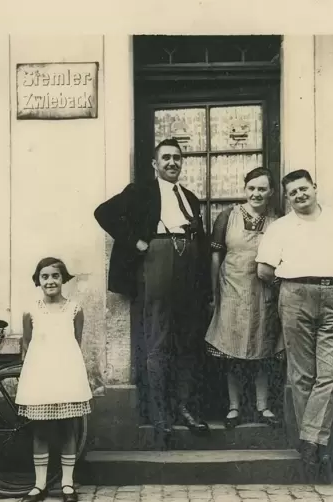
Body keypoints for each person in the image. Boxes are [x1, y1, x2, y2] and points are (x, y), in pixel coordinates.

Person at [255, 169, 333, 484]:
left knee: (329, 375)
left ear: (314, 188)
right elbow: (264, 270)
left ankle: (309, 444)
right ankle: (318, 448)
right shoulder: (280, 228)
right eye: (292, 193)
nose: (298, 196)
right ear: (288, 197)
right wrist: (292, 284)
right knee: (302, 375)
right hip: (294, 296)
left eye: (303, 189)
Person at [93, 138, 210, 442]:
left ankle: (185, 408)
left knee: (186, 339)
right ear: (155, 164)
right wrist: (135, 241)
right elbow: (103, 213)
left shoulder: (190, 197)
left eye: (177, 158)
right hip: (156, 262)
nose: (173, 163)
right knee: (156, 340)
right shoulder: (141, 191)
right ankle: (159, 415)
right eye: (166, 158)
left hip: (188, 266)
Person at [204, 167, 283, 429]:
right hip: (231, 292)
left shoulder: (277, 223)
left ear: (271, 192)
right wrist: (214, 292)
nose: (256, 193)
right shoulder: (227, 217)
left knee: (263, 350)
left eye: (262, 189)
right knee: (232, 352)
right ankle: (233, 408)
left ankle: (263, 407)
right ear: (245, 189)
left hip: (263, 294)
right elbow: (216, 257)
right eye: (252, 188)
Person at [15, 257, 92, 502]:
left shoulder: (74, 309)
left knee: (68, 429)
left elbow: (76, 342)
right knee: (41, 431)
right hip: (40, 375)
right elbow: (26, 345)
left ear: (63, 279)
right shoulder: (31, 310)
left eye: (55, 276)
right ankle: (39, 485)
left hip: (66, 374)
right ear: (38, 280)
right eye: (45, 277)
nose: (50, 281)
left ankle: (67, 483)